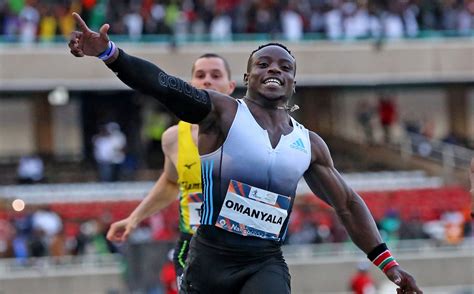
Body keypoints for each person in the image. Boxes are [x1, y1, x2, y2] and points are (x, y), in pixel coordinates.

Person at [68, 13, 422, 294]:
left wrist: (388, 265)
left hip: (263, 260)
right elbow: (162, 85)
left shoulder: (308, 144)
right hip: (209, 259)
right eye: (264, 64)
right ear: (247, 76)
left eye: (284, 67)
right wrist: (109, 53)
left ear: (293, 83)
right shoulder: (221, 113)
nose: (274, 70)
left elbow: (347, 204)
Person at [105, 52, 236, 288]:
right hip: (192, 246)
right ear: (191, 85)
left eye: (216, 75)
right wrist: (134, 219)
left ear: (230, 86)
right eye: (200, 75)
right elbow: (170, 182)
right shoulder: (174, 137)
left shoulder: (248, 134)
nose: (207, 80)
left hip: (238, 247)